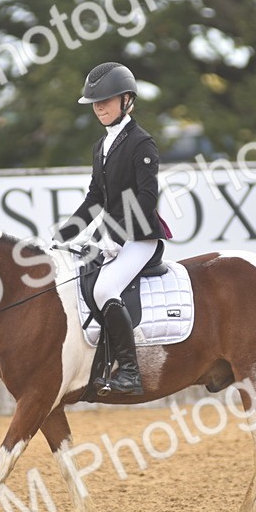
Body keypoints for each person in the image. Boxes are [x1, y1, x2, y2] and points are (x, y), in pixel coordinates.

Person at [55, 62, 168, 396]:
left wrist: (116, 236)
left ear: (127, 100)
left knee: (105, 290)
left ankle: (130, 373)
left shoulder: (141, 143)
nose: (99, 106)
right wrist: (62, 236)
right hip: (108, 237)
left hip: (140, 237)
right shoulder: (101, 146)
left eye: (107, 99)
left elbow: (147, 198)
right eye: (95, 101)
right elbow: (95, 198)